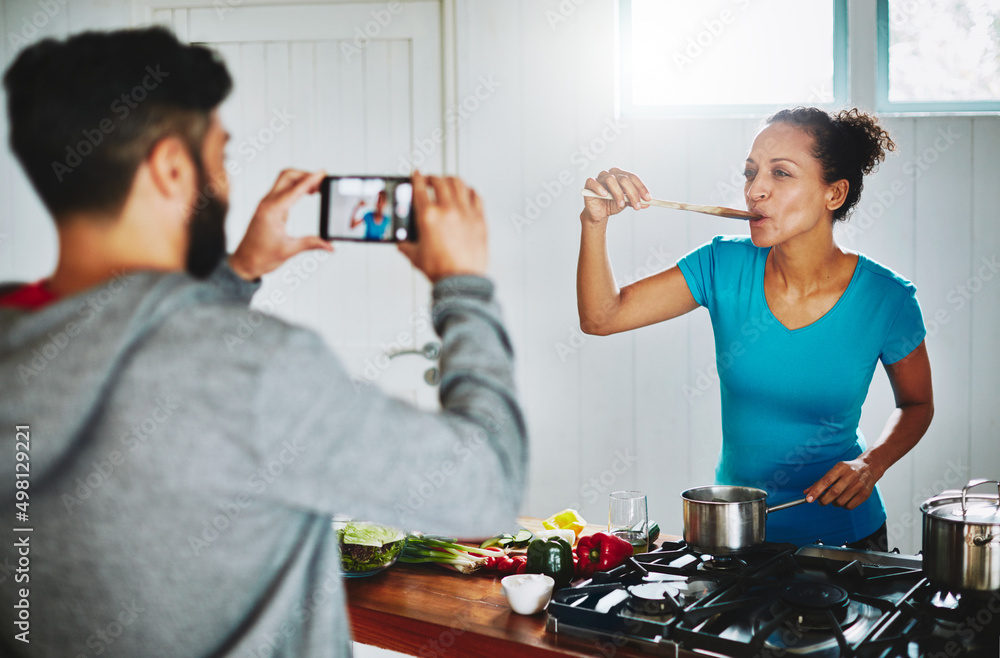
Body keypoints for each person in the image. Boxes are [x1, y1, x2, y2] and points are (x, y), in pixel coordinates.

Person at [0, 27, 526, 657]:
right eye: (217, 159)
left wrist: (239, 269)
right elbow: (486, 487)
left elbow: (130, 348)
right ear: (171, 167)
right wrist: (462, 287)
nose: (222, 182)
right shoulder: (258, 369)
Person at [577, 107, 934, 549]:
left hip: (845, 540)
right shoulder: (721, 264)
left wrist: (871, 464)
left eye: (780, 174)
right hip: (733, 535)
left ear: (834, 193)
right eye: (751, 172)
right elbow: (601, 316)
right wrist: (594, 223)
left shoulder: (887, 298)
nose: (755, 190)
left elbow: (917, 404)